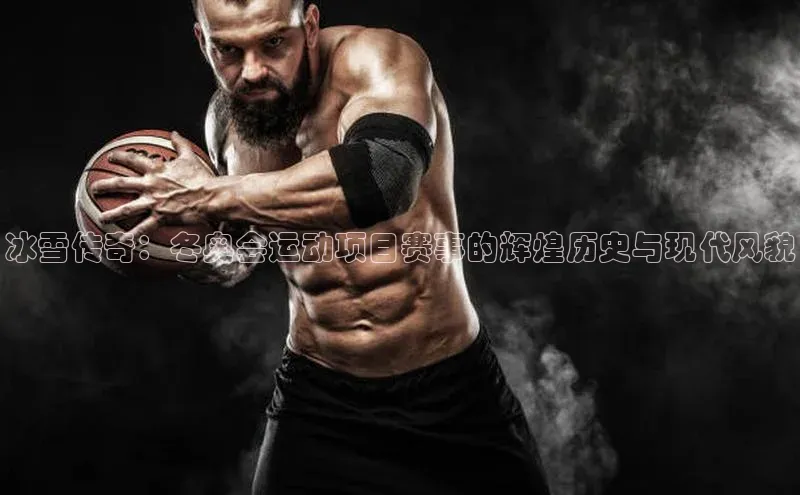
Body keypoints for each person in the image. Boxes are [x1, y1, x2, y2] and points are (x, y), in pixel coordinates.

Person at [91, 0, 550, 493]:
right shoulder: (227, 124)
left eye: (273, 43)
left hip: (449, 390)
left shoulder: (377, 59)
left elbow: (384, 178)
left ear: (309, 27)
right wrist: (215, 257)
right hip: (319, 396)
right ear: (203, 42)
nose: (252, 71)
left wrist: (205, 195)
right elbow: (253, 242)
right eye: (228, 50)